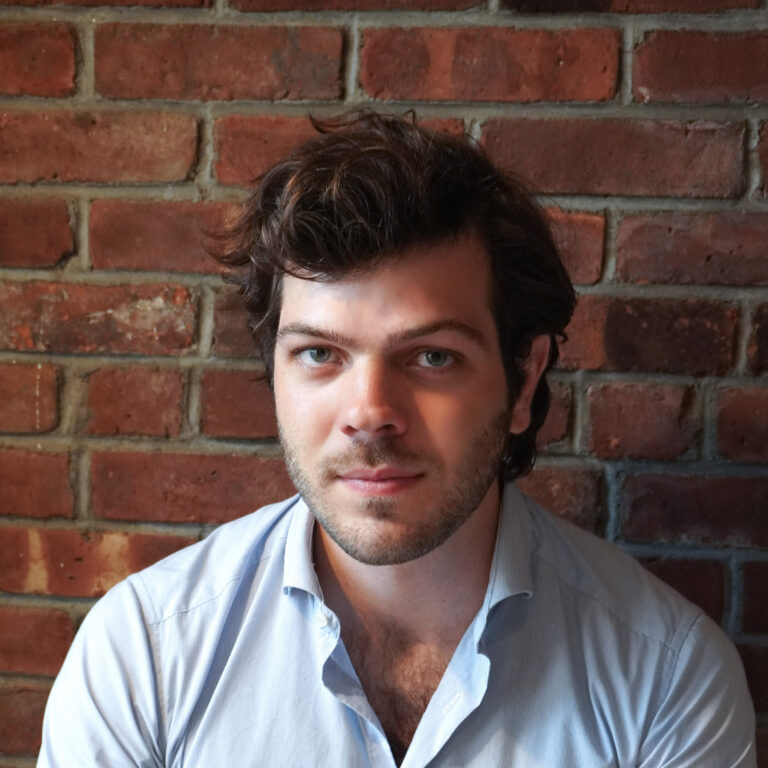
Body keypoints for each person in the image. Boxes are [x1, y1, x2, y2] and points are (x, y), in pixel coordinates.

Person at [38, 111, 756, 767]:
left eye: (432, 357)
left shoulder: (667, 681)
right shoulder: (145, 655)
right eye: (320, 354)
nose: (370, 411)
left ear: (523, 381)